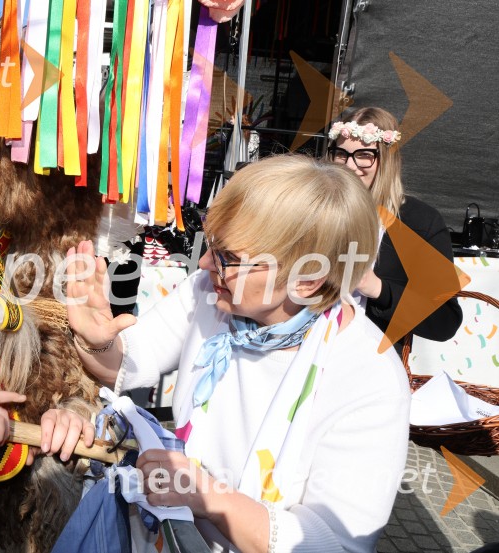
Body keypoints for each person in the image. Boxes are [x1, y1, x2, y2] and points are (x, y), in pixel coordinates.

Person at [65, 155, 410, 552]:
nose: (206, 263)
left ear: (309, 281)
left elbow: (335, 543)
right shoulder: (210, 291)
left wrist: (206, 495)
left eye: (230, 258)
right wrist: (97, 337)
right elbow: (131, 364)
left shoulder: (370, 377)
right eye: (212, 245)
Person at [328, 107, 463, 343]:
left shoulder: (420, 222)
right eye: (341, 154)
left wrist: (378, 289)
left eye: (364, 155)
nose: (349, 166)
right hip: (305, 347)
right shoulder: (313, 208)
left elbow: (445, 321)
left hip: (370, 361)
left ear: (387, 160)